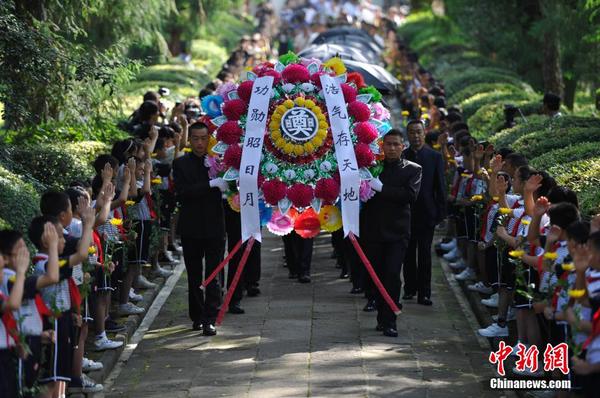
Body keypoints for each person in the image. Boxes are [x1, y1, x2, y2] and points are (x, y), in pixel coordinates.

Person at [360, 129, 422, 337]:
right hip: (373, 231)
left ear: (402, 146)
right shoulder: (372, 168)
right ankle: (381, 317)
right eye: (389, 144)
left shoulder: (413, 170)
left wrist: (381, 188)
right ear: (382, 146)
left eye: (396, 144)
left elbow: (409, 196)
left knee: (393, 275)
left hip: (397, 233)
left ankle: (391, 320)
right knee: (377, 276)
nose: (392, 148)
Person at [173, 122, 228, 335]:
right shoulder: (181, 164)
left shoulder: (217, 161)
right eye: (195, 138)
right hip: (191, 226)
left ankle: (210, 318)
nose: (199, 143)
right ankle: (196, 316)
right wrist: (210, 184)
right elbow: (183, 192)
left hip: (215, 225)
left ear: (209, 139)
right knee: (194, 274)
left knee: (213, 273)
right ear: (190, 140)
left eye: (203, 138)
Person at [402, 120, 446, 305]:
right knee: (408, 253)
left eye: (419, 132)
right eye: (412, 132)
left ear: (425, 132)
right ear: (408, 134)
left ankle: (425, 292)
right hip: (406, 213)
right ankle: (410, 288)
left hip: (427, 213)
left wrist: (440, 214)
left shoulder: (434, 157)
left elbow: (440, 187)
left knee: (425, 254)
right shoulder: (402, 156)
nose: (416, 136)